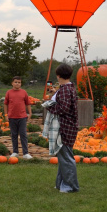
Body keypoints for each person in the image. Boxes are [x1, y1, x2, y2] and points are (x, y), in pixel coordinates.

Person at [47, 64, 79, 193]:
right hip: (69, 126)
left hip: (66, 127)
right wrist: (56, 93)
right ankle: (61, 184)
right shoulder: (68, 88)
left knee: (66, 158)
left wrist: (49, 106)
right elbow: (65, 102)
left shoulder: (65, 90)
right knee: (63, 158)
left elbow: (63, 108)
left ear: (58, 75)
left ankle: (71, 186)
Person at [4, 76, 33, 160]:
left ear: (21, 84)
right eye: (16, 82)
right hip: (12, 117)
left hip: (22, 117)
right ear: (12, 83)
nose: (17, 84)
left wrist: (30, 113)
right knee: (14, 135)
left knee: (23, 134)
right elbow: (5, 104)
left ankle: (25, 153)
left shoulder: (24, 92)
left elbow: (28, 103)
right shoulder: (9, 92)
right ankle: (15, 152)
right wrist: (6, 115)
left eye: (19, 82)